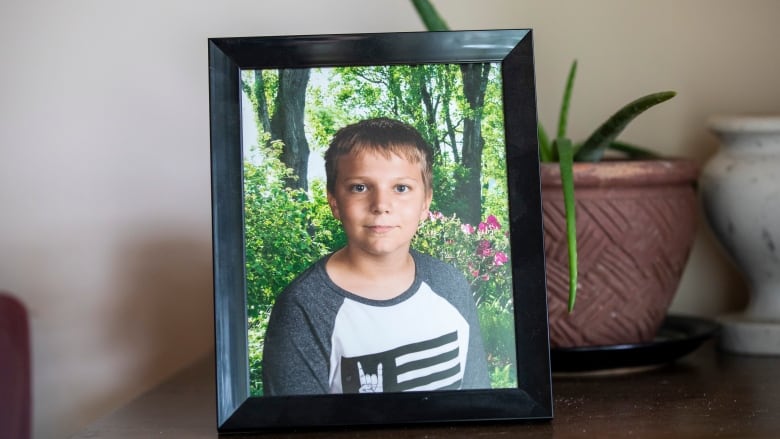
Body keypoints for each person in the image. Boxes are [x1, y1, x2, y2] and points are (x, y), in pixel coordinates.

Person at [262, 117, 490, 395]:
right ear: (334, 201)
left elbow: (479, 402)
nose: (381, 205)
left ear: (425, 202)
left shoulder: (450, 285)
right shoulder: (303, 308)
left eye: (401, 188)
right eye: (360, 187)